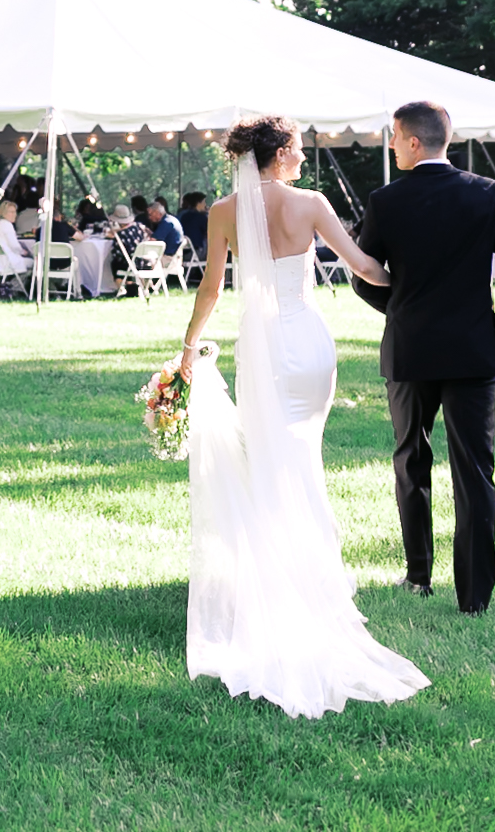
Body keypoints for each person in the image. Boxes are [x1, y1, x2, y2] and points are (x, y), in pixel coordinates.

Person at [174, 113, 427, 718]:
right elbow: (364, 267)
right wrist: (421, 294)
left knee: (270, 459)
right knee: (302, 459)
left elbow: (211, 288)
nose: (304, 160)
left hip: (262, 347)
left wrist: (189, 347)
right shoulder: (310, 203)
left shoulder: (224, 211)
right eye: (298, 150)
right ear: (282, 152)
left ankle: (280, 576)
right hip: (309, 344)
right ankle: (310, 576)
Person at [349, 100, 495, 618]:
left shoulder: (385, 201)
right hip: (474, 347)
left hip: (410, 349)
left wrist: (401, 311)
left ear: (412, 142)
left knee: (412, 460)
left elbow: (365, 275)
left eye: (393, 136)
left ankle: (418, 576)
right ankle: (474, 596)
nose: (389, 145)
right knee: (474, 471)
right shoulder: (485, 193)